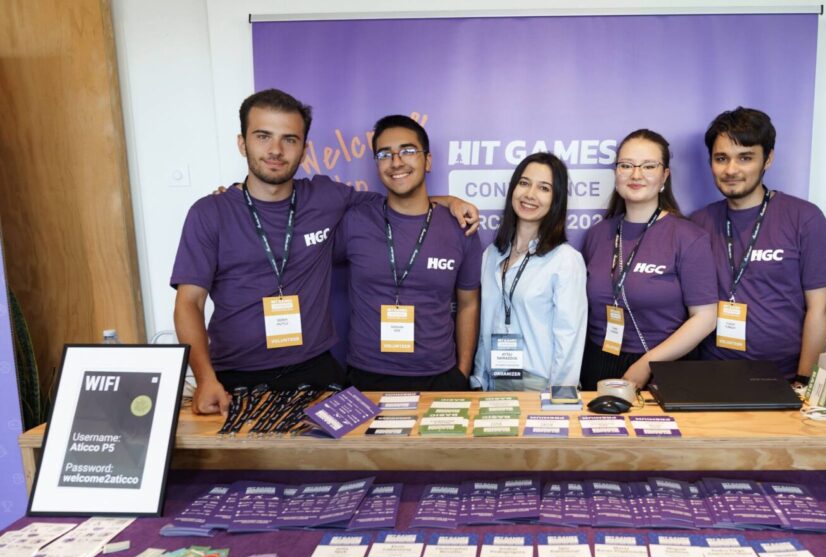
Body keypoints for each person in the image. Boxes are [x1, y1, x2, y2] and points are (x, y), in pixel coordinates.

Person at [172, 90, 477, 415]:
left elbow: (402, 201)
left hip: (314, 370)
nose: (275, 150)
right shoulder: (209, 213)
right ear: (242, 143)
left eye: (289, 139)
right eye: (263, 136)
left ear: (304, 150)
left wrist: (449, 202)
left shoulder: (326, 197)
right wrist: (204, 378)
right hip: (233, 375)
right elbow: (189, 303)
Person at [690, 107, 826, 384]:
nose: (731, 170)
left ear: (768, 159)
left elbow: (822, 307)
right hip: (710, 377)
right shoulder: (698, 223)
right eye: (721, 159)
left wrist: (804, 380)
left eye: (745, 158)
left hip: (783, 379)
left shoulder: (804, 218)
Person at [337, 115, 482, 391]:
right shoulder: (355, 221)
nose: (396, 162)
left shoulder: (460, 227)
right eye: (385, 154)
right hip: (367, 374)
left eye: (407, 151)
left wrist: (462, 372)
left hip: (439, 375)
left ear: (427, 161)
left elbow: (468, 304)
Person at [580, 129, 717, 390]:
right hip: (597, 363)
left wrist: (647, 364)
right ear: (616, 172)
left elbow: (706, 318)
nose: (636, 174)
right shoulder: (598, 234)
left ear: (665, 175)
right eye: (626, 165)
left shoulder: (688, 237)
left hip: (663, 368)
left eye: (648, 166)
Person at [472, 153, 587, 391]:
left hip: (538, 387)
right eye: (524, 183)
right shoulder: (492, 254)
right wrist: (478, 379)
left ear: (556, 199)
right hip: (493, 381)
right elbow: (486, 325)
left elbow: (569, 337)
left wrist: (560, 398)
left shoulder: (565, 260)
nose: (530, 194)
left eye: (544, 188)